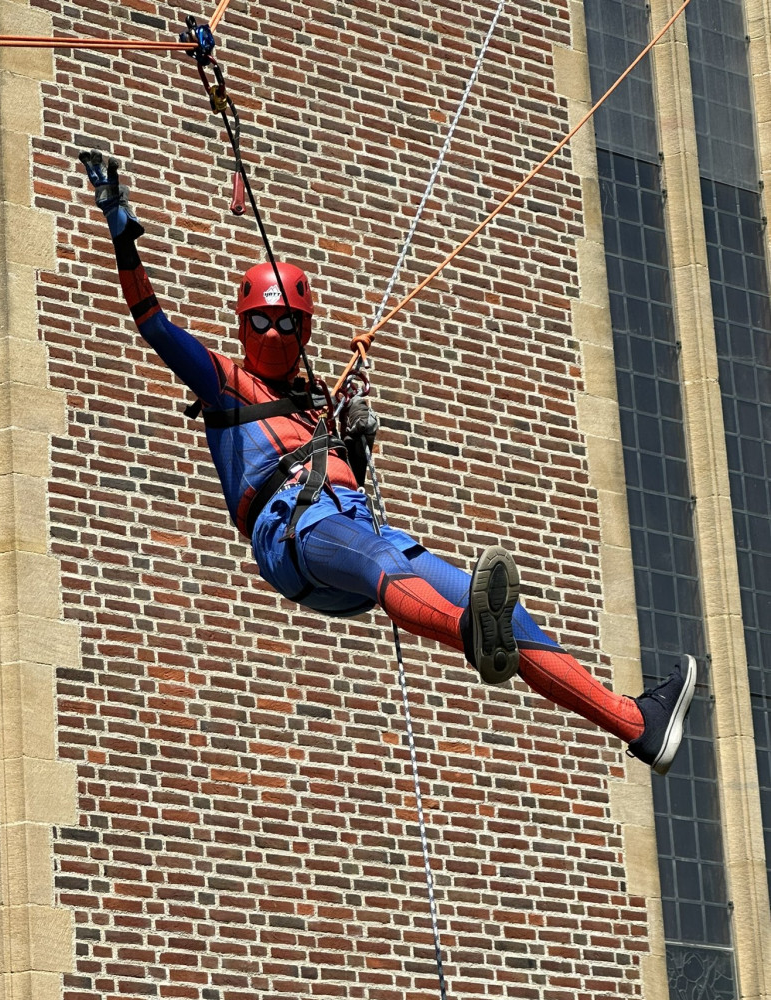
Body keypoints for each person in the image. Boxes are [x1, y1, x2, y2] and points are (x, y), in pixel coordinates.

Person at [79, 151, 696, 774]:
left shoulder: (320, 400)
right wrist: (121, 231)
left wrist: (354, 433)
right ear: (242, 327)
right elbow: (154, 326)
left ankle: (636, 724)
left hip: (354, 525)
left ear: (306, 328)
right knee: (391, 568)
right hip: (297, 530)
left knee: (509, 613)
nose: (272, 331)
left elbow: (353, 470)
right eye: (260, 320)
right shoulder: (226, 384)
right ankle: (471, 633)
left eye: (285, 321)